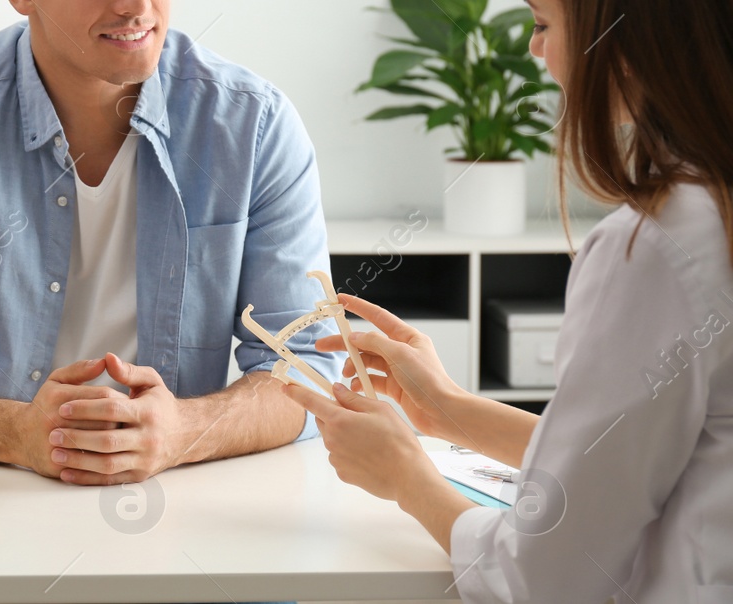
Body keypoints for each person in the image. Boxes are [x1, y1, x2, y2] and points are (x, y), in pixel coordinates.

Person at [280, 0, 733, 601]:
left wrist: (407, 477)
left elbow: (546, 577)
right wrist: (448, 410)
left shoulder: (654, 248)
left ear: (623, 37)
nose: (532, 50)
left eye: (541, 24)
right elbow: (650, 460)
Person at [0, 0, 341, 486]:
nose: (136, 7)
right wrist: (15, 433)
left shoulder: (255, 125)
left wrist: (184, 431)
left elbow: (306, 365)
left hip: (184, 499)